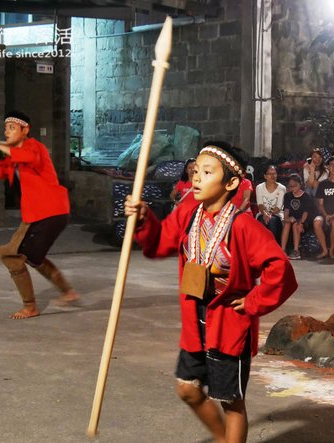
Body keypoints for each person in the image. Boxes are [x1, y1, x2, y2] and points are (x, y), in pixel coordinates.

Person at [125, 141, 297, 443]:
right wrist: (142, 219)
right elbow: (159, 242)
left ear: (231, 183)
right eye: (196, 171)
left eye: (207, 172)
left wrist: (255, 301)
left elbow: (280, 269)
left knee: (231, 401)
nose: (196, 178)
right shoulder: (188, 214)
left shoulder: (243, 225)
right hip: (196, 320)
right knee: (187, 388)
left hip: (229, 324)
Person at [0, 111, 78, 319]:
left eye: (12, 128)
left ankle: (30, 306)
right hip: (36, 214)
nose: (8, 131)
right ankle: (68, 292)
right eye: (6, 128)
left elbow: (29, 158)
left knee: (11, 255)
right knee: (34, 257)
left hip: (50, 210)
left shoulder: (34, 147)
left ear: (25, 130)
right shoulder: (11, 158)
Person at [280, 173, 317, 260]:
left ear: (300, 185)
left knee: (296, 225)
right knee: (287, 224)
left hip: (303, 219)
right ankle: (283, 249)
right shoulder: (288, 196)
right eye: (290, 186)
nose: (293, 188)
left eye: (295, 186)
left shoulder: (305, 197)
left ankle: (296, 251)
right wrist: (286, 218)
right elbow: (286, 210)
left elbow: (306, 212)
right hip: (292, 218)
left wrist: (301, 223)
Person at [255, 165, 286, 243]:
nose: (272, 176)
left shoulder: (282, 188)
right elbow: (260, 204)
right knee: (261, 221)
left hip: (277, 214)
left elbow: (278, 207)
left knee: (272, 221)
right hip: (262, 213)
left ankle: (273, 247)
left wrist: (269, 214)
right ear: (265, 176)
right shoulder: (259, 187)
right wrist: (265, 214)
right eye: (269, 174)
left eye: (274, 173)